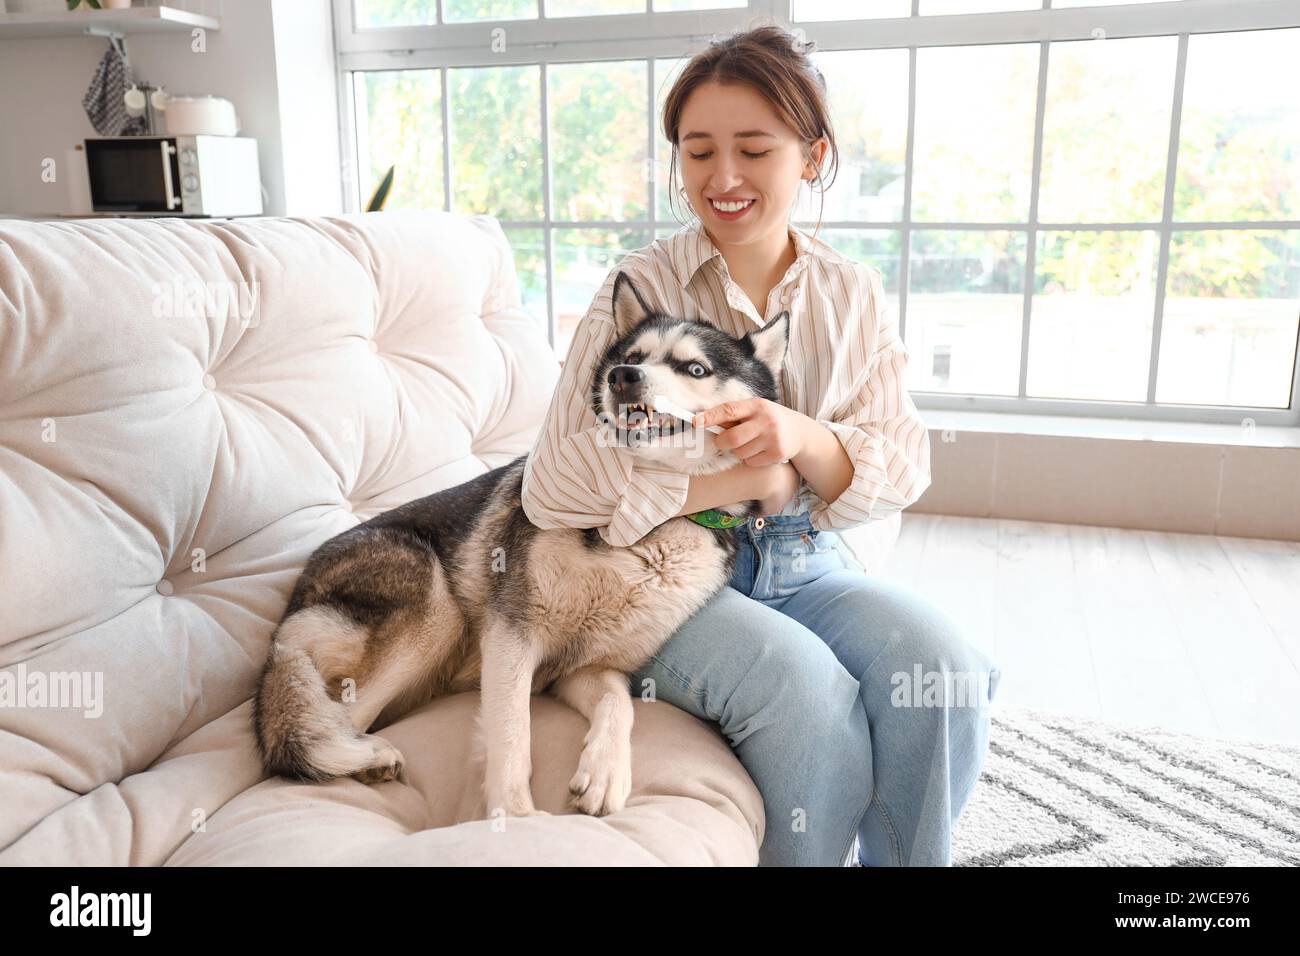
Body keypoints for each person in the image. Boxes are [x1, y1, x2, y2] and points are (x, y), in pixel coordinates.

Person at [521, 23, 1000, 866]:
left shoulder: (849, 293)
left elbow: (905, 460)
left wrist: (802, 438)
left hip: (804, 558)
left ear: (811, 157)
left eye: (755, 149)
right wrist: (736, 480)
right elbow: (554, 486)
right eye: (698, 151)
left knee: (946, 670)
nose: (724, 178)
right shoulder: (641, 286)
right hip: (659, 572)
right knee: (811, 699)